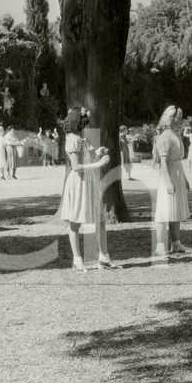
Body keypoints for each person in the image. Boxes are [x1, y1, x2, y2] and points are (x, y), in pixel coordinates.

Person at [58, 107, 118, 271]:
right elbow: (76, 167)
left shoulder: (80, 139)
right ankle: (77, 260)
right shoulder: (73, 140)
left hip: (89, 181)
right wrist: (98, 164)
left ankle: (104, 257)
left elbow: (87, 156)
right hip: (79, 182)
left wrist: (97, 153)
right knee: (76, 221)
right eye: (83, 124)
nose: (85, 127)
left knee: (100, 219)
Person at [154, 106, 192, 256]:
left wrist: (185, 179)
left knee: (174, 210)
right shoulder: (164, 136)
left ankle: (176, 243)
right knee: (164, 209)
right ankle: (159, 245)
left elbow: (177, 160)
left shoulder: (175, 134)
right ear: (172, 119)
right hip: (168, 175)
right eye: (179, 119)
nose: (181, 122)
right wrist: (168, 182)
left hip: (177, 173)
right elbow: (163, 162)